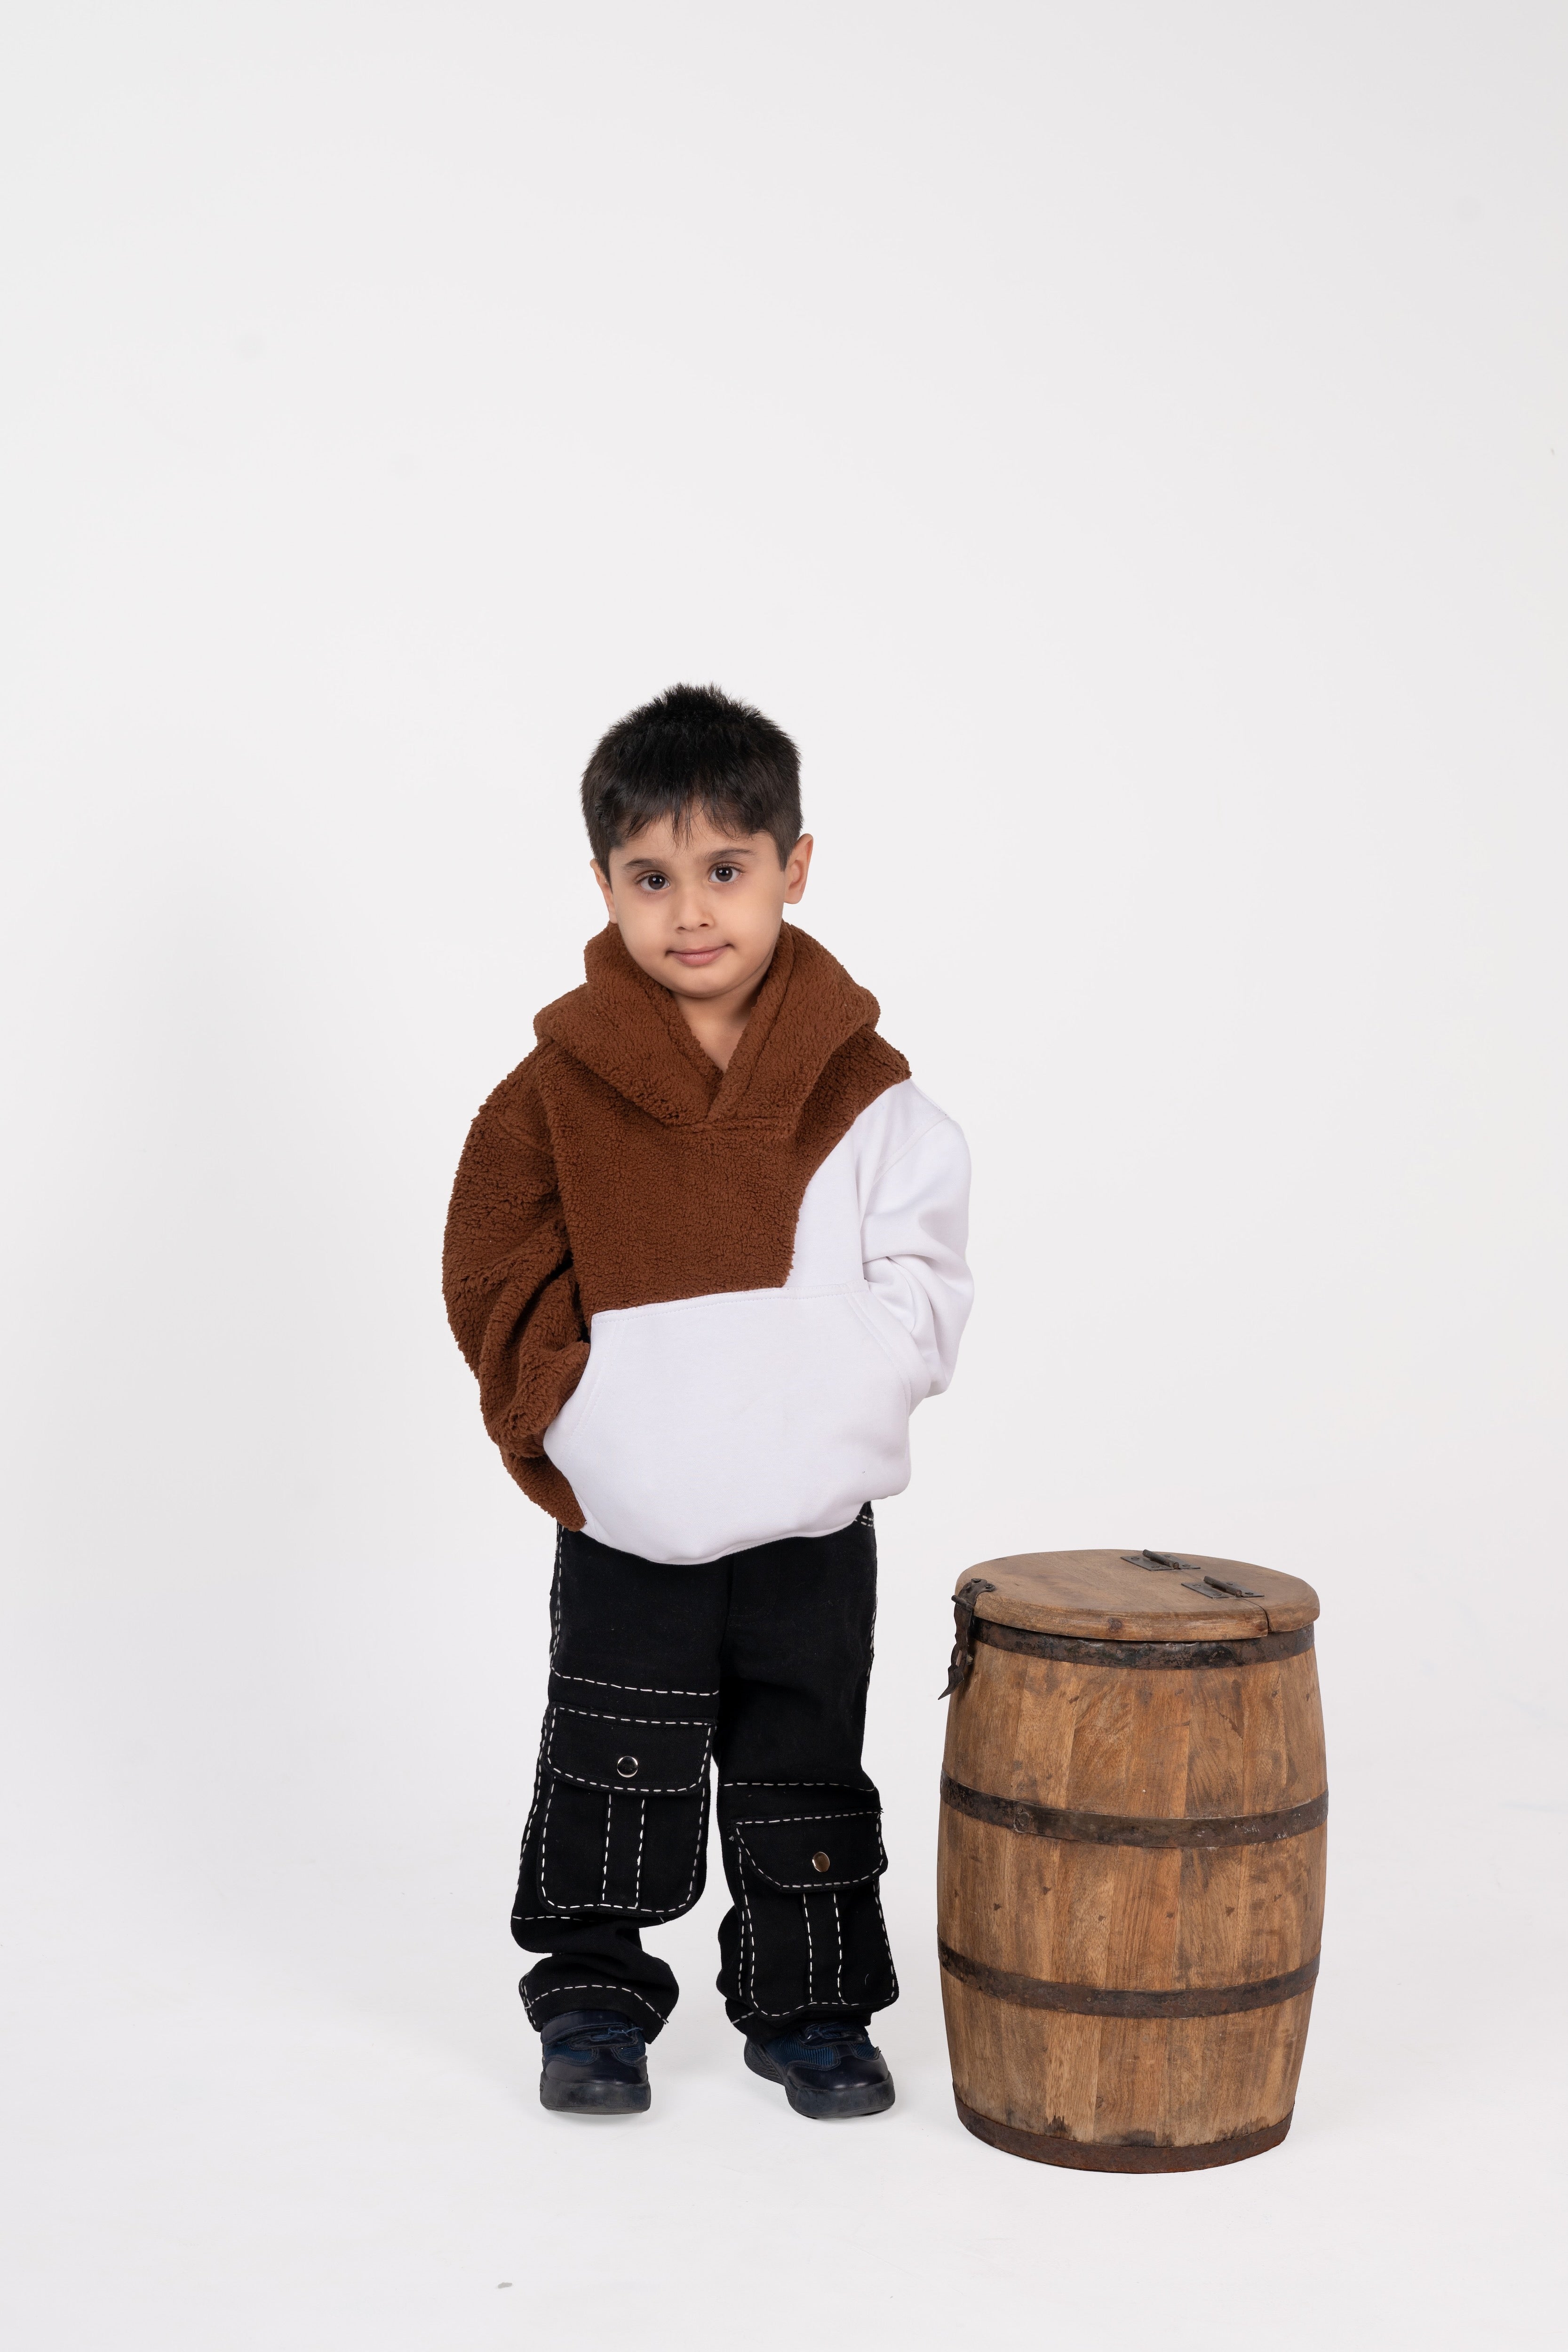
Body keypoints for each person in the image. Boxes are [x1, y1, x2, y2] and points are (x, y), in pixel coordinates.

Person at [442, 683, 972, 2119]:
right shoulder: (553, 1093)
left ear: (797, 868)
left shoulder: (872, 1098)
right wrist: (577, 1411)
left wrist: (834, 1398)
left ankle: (809, 2014)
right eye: (652, 877)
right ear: (604, 883)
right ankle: (593, 2007)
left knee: (805, 1756)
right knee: (612, 1752)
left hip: (812, 1515)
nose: (692, 911)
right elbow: (494, 1258)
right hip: (633, 1514)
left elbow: (925, 1280)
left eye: (727, 870)